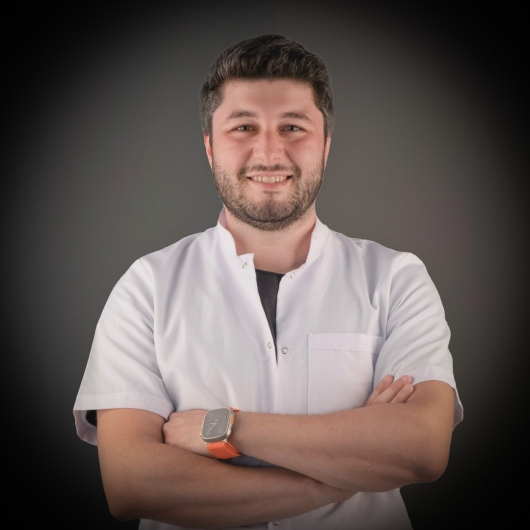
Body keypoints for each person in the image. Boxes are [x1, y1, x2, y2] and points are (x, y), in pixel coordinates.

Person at [73, 33, 463, 530]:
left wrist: (224, 428)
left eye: (293, 127)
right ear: (210, 147)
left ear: (326, 145)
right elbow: (132, 484)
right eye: (243, 127)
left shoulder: (397, 278)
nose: (269, 152)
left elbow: (423, 448)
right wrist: (344, 477)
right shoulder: (146, 287)